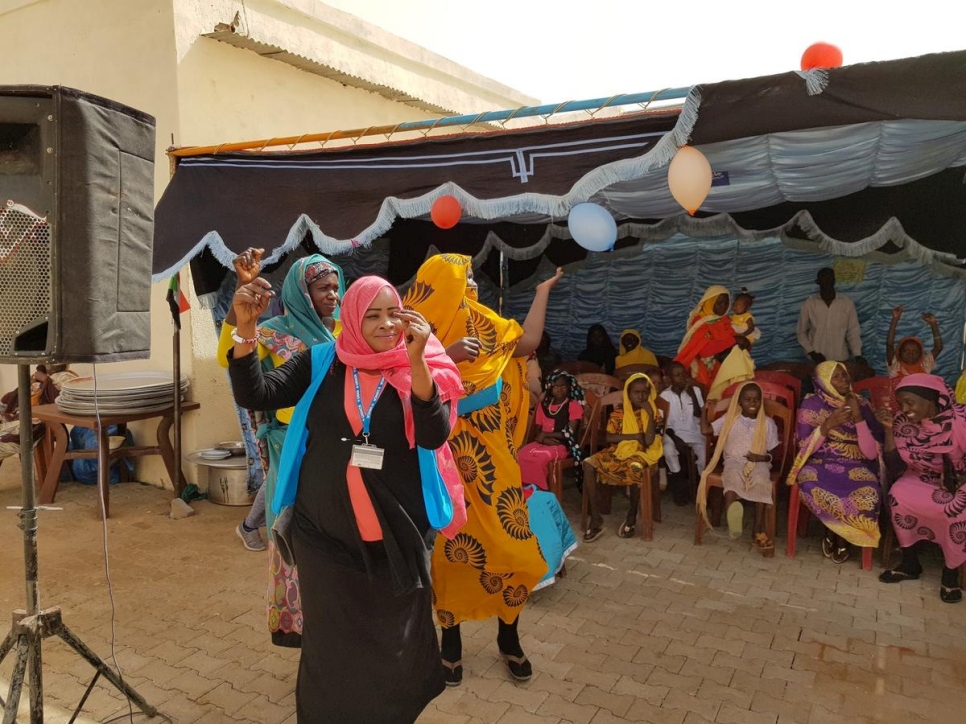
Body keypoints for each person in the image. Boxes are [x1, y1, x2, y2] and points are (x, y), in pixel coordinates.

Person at [228, 273, 463, 720]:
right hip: (324, 537)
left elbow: (434, 435)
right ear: (352, 318)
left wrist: (417, 364)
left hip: (394, 538)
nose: (386, 324)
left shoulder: (424, 362)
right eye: (372, 315)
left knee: (395, 649)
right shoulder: (322, 361)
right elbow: (255, 393)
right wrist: (245, 331)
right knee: (330, 652)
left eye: (393, 313)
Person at [403, 254, 562, 686]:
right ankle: (449, 640)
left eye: (472, 275)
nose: (472, 283)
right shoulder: (412, 331)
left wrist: (542, 292)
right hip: (444, 460)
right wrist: (444, 356)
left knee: (513, 551)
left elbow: (526, 343)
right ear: (441, 285)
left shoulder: (487, 322)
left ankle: (508, 635)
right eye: (464, 277)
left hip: (495, 461)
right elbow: (397, 387)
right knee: (451, 553)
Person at [216, 248, 344, 648]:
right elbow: (229, 358)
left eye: (336, 287)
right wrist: (242, 303)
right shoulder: (271, 334)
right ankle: (301, 626)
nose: (333, 295)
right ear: (301, 292)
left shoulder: (343, 333)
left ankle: (336, 621)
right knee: (293, 534)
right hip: (290, 448)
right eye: (323, 287)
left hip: (333, 447)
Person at [876, 374, 966, 604]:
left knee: (958, 509)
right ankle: (910, 563)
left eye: (909, 402)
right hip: (919, 477)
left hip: (958, 480)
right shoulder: (902, 424)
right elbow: (895, 467)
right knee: (898, 495)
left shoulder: (961, 420)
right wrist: (887, 431)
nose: (904, 409)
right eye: (901, 403)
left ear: (930, 400)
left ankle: (951, 572)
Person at [786, 361, 883, 563]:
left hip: (857, 463)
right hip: (820, 462)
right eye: (836, 377)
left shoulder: (862, 404)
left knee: (870, 493)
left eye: (845, 375)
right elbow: (804, 446)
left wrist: (857, 417)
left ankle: (836, 535)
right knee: (812, 484)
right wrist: (827, 426)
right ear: (823, 382)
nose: (844, 380)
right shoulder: (812, 404)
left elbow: (871, 453)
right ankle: (837, 534)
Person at [581, 373, 663, 541]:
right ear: (628, 393)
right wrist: (634, 436)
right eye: (636, 392)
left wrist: (648, 412)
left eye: (644, 392)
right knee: (588, 464)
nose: (641, 396)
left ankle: (632, 516)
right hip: (619, 450)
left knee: (635, 467)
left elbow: (648, 441)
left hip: (644, 453)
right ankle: (596, 518)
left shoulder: (653, 413)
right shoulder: (619, 412)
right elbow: (610, 438)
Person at [698, 382, 779, 549]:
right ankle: (732, 516)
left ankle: (757, 528)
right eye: (748, 400)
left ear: (761, 402)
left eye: (756, 400)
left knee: (761, 479)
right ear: (739, 402)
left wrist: (763, 457)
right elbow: (706, 430)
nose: (752, 403)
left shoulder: (768, 423)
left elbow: (775, 452)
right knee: (732, 477)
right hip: (734, 460)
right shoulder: (730, 419)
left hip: (759, 462)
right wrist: (704, 410)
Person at [675, 285, 753, 400]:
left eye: (726, 303)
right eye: (719, 303)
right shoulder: (701, 321)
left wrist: (743, 342)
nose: (723, 306)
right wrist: (734, 340)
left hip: (724, 363)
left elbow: (734, 340)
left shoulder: (725, 320)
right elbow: (704, 351)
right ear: (710, 302)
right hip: (706, 369)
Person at [518, 371, 585, 491]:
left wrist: (545, 435)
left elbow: (570, 432)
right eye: (555, 386)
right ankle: (524, 490)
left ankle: (540, 490)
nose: (559, 389)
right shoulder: (543, 405)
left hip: (563, 444)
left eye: (563, 386)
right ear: (549, 387)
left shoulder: (573, 405)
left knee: (539, 460)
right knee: (520, 455)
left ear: (569, 387)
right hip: (543, 442)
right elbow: (538, 430)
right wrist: (544, 438)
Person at [796, 267, 866, 366]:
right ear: (818, 282)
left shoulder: (846, 303)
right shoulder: (809, 304)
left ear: (834, 280)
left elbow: (853, 331)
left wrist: (857, 355)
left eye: (830, 279)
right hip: (816, 360)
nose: (828, 282)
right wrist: (811, 352)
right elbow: (801, 332)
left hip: (840, 358)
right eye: (824, 279)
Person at [660, 361, 706, 506]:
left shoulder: (695, 391)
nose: (682, 378)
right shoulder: (664, 396)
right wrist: (677, 439)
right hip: (673, 433)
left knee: (704, 455)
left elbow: (700, 416)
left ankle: (701, 489)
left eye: (684, 374)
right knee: (668, 449)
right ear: (669, 379)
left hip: (694, 432)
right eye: (677, 375)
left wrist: (692, 395)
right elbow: (664, 424)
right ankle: (679, 483)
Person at [886, 306, 943, 379]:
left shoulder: (925, 364)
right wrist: (895, 319)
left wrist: (934, 325)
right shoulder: (895, 363)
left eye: (915, 351)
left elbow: (938, 348)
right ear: (899, 352)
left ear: (920, 354)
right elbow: (889, 345)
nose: (910, 354)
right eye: (906, 351)